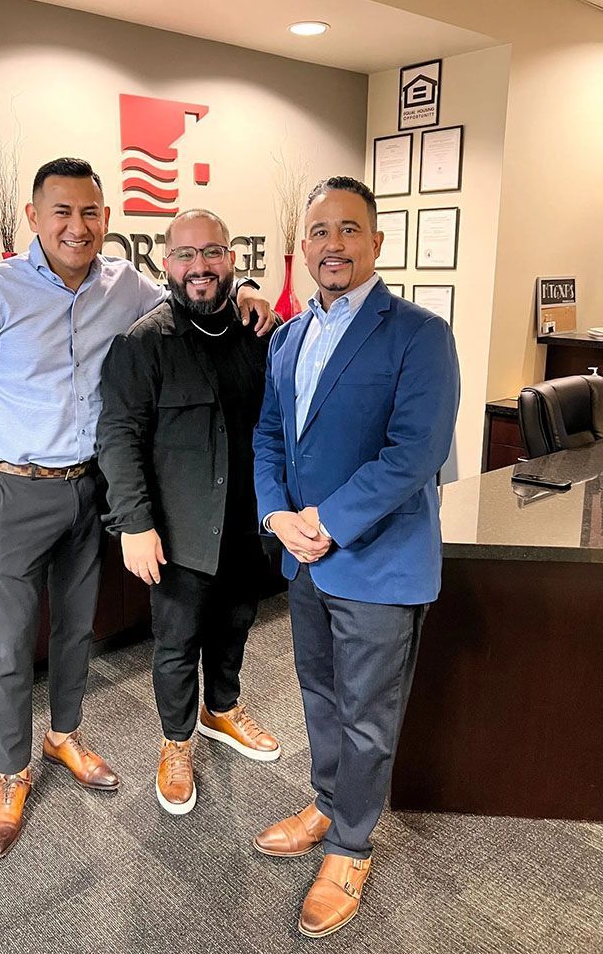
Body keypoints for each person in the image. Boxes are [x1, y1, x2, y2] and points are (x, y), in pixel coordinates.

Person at [0, 159, 273, 859]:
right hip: (13, 487)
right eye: (61, 211)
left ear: (107, 219)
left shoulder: (127, 286)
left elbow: (193, 285)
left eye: (90, 212)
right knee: (8, 643)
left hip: (90, 488)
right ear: (33, 217)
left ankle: (64, 734)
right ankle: (9, 772)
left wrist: (246, 294)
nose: (76, 226)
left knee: (74, 632)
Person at [252, 176, 460, 937]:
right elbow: (270, 437)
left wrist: (328, 522)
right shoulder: (287, 336)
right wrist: (277, 513)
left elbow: (417, 453)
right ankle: (328, 797)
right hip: (304, 557)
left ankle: (350, 843)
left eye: (348, 230)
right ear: (301, 247)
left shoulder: (418, 333)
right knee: (320, 694)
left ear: (375, 242)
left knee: (369, 714)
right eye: (319, 232)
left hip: (377, 559)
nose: (332, 244)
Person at [97, 209, 281, 815]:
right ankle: (176, 743)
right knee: (176, 642)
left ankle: (220, 709)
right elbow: (119, 438)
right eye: (184, 255)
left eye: (211, 253)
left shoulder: (260, 336)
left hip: (247, 522)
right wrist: (134, 524)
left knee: (234, 625)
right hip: (177, 531)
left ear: (232, 259)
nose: (198, 267)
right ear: (165, 264)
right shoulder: (142, 344)